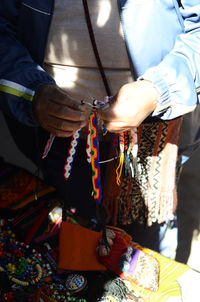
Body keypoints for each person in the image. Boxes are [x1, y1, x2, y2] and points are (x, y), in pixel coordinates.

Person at [0, 0, 200, 257]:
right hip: (56, 137)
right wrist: (30, 93)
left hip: (151, 138)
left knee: (146, 248)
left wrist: (157, 90)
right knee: (67, 238)